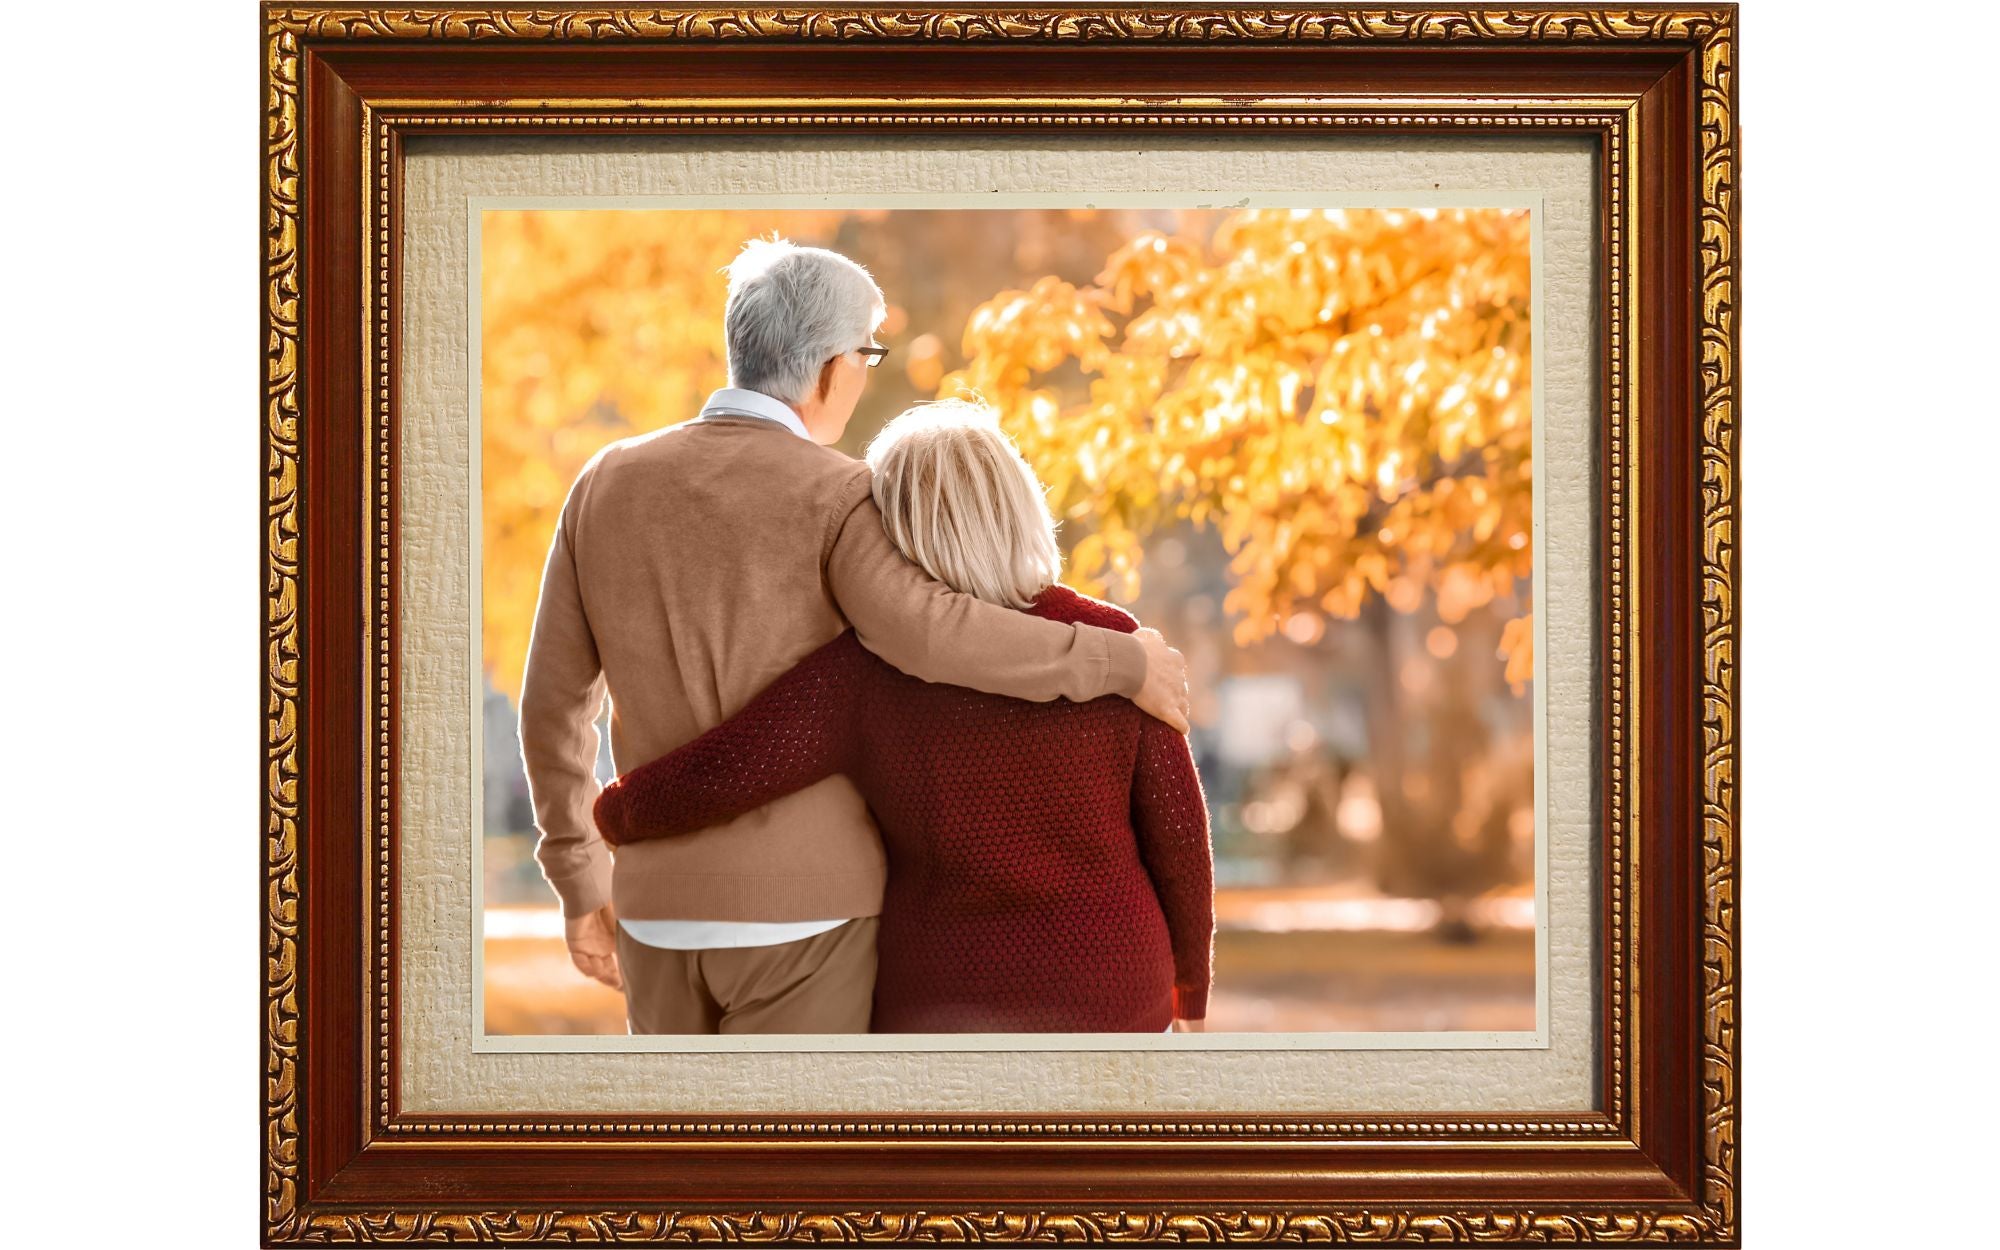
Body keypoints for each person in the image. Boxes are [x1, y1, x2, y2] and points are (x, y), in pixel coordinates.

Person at [518, 237, 1190, 1036]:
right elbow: (935, 635)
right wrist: (1119, 661)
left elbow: (553, 706)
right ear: (834, 368)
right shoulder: (838, 494)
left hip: (655, 913)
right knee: (800, 1159)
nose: (866, 375)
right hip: (811, 917)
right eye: (868, 355)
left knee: (687, 1157)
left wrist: (578, 877)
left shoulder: (602, 483)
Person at [592, 400, 1214, 1033]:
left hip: (942, 996)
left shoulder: (864, 670)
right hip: (1113, 986)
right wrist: (1190, 987)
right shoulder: (1117, 643)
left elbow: (733, 767)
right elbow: (1178, 837)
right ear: (1020, 503)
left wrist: (616, 811)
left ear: (893, 531)